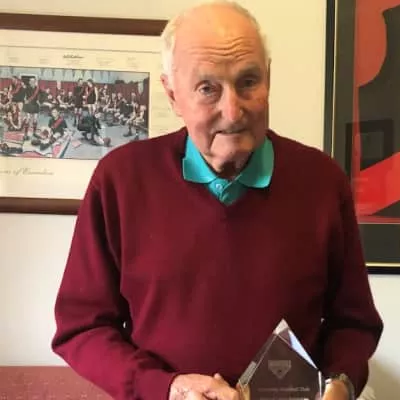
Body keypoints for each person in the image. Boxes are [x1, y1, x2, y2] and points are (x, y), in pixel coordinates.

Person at [51, 2, 383, 400]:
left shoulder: (322, 181)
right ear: (172, 95)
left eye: (248, 82)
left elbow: (354, 324)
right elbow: (82, 328)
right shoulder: (121, 180)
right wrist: (167, 388)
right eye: (208, 88)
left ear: (269, 79)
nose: (233, 110)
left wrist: (340, 385)